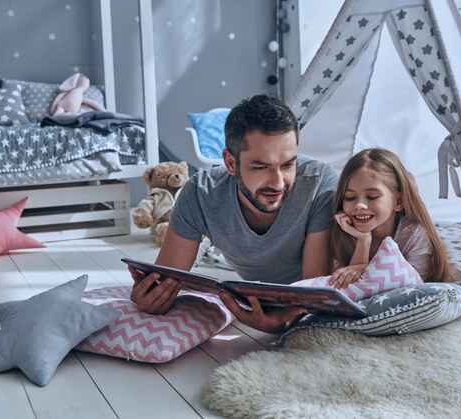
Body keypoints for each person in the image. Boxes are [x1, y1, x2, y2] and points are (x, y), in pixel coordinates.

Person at [129, 94, 338, 332]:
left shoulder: (319, 185)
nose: (278, 182)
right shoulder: (200, 193)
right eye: (260, 167)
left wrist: (284, 321)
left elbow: (313, 295)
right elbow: (167, 277)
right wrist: (152, 297)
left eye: (288, 164)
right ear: (230, 163)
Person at [327, 148, 451, 289]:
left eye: (372, 196)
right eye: (350, 197)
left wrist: (364, 269)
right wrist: (363, 241)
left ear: (398, 202)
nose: (359, 205)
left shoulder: (413, 234)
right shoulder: (342, 231)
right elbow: (347, 290)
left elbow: (412, 288)